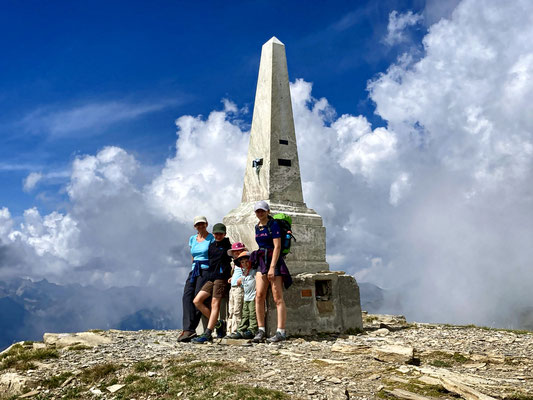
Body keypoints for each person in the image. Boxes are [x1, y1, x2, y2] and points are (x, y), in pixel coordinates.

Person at [251, 200, 292, 343]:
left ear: (268, 211)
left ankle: (281, 331)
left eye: (262, 210)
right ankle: (261, 329)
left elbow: (277, 246)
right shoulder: (257, 227)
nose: (260, 213)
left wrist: (273, 266)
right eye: (257, 211)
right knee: (259, 295)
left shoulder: (273, 224)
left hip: (273, 261)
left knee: (277, 297)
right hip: (261, 261)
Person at [191, 223, 232, 343]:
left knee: (215, 304)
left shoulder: (228, 246)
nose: (218, 235)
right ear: (213, 234)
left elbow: (236, 257)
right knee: (197, 301)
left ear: (224, 234)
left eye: (220, 233)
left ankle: (208, 332)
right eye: (216, 233)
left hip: (221, 278)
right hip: (211, 277)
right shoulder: (212, 245)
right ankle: (218, 323)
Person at [178, 216, 215, 342]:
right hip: (195, 270)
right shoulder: (192, 239)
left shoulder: (211, 238)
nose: (200, 227)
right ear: (195, 227)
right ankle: (187, 329)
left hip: (206, 269)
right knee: (186, 296)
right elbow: (193, 256)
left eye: (202, 224)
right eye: (198, 225)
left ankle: (191, 329)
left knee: (197, 297)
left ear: (206, 224)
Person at [226, 251, 257, 339]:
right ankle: (241, 329)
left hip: (252, 296)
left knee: (252, 314)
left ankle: (252, 329)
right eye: (242, 262)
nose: (245, 264)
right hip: (246, 297)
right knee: (245, 313)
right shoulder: (244, 273)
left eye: (247, 261)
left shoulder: (253, 271)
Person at [226, 242, 247, 335]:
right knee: (231, 310)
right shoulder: (235, 263)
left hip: (239, 288)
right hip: (233, 288)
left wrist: (241, 278)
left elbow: (246, 272)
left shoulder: (243, 263)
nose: (237, 253)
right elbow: (236, 273)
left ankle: (237, 330)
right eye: (235, 252)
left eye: (239, 251)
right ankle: (230, 330)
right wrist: (232, 278)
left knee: (237, 310)